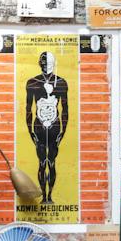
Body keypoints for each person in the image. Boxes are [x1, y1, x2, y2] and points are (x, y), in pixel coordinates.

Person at [23, 50, 70, 207]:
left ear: (54, 64)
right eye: (43, 64)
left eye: (49, 64)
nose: (46, 67)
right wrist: (30, 131)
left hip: (55, 126)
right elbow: (28, 109)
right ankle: (44, 196)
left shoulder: (61, 82)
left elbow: (65, 109)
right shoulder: (32, 82)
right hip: (39, 127)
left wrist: (63, 131)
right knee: (42, 162)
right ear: (39, 64)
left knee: (52, 162)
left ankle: (49, 196)